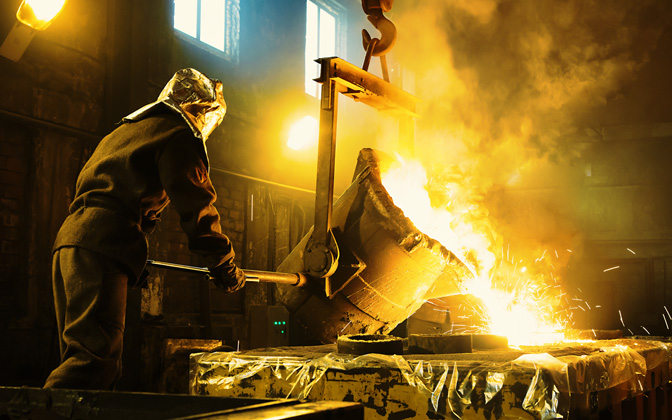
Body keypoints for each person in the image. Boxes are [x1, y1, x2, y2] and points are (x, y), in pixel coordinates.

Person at [43, 68, 245, 390]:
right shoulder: (178, 134)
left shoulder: (125, 132)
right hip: (102, 244)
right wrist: (224, 264)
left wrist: (131, 255)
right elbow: (197, 205)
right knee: (92, 365)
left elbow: (120, 193)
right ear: (201, 111)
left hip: (71, 241)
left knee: (82, 357)